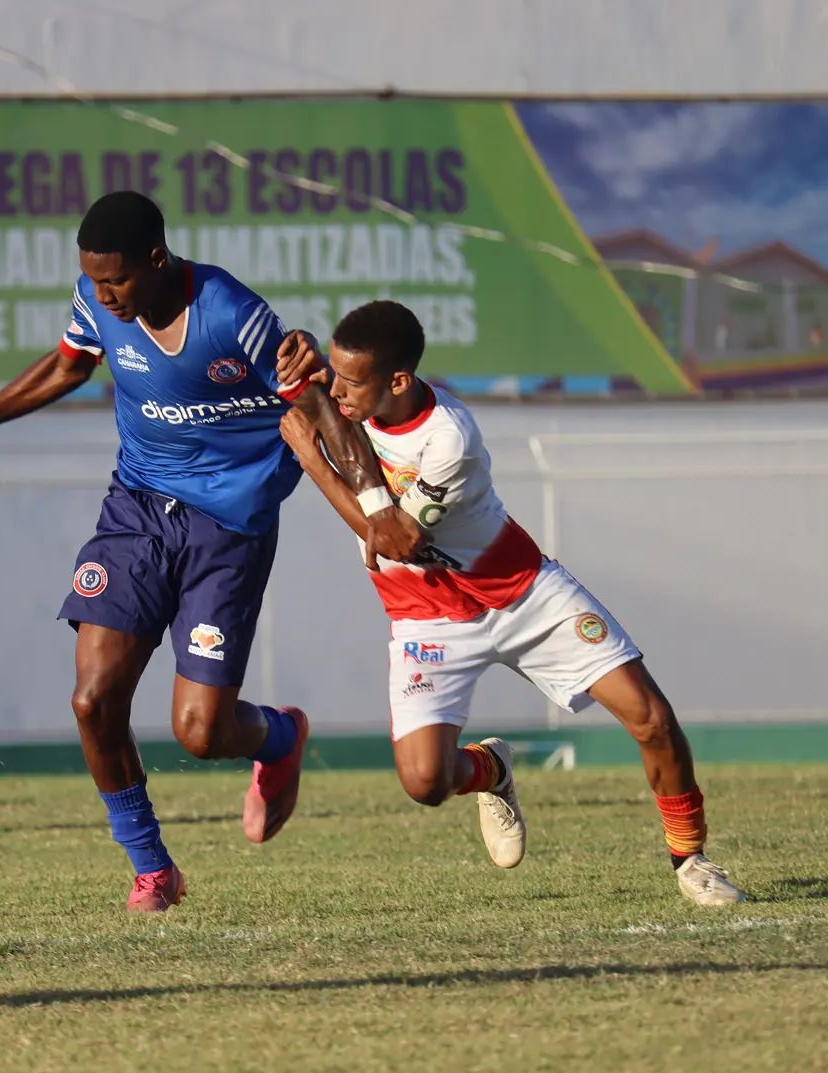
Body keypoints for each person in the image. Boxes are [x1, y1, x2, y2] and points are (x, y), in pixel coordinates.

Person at [0, 192, 422, 913]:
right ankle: (152, 868)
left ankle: (278, 736)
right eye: (92, 279)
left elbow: (317, 413)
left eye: (114, 279)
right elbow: (66, 367)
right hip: (138, 512)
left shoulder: (232, 314)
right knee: (92, 698)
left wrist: (378, 509)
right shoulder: (98, 302)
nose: (103, 293)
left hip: (229, 530)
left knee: (201, 733)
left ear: (157, 259)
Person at [277, 299, 746, 907]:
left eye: (351, 379)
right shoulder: (347, 397)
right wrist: (298, 364)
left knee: (651, 717)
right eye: (334, 373)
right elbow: (315, 399)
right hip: (427, 615)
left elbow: (390, 538)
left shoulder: (451, 438)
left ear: (398, 380)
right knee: (425, 782)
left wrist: (312, 457)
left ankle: (691, 860)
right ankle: (491, 770)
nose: (337, 389)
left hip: (521, 592)